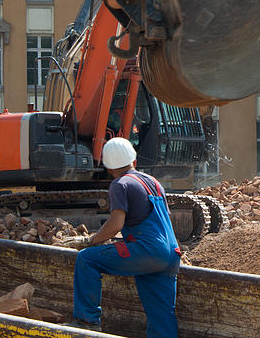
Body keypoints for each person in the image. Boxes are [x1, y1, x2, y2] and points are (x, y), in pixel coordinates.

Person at [62, 137, 181, 337]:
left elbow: (117, 223)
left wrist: (90, 241)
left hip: (147, 251)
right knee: (161, 316)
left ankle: (86, 321)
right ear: (133, 161)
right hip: (171, 254)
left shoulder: (120, 184)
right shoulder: (154, 182)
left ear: (109, 168)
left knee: (87, 259)